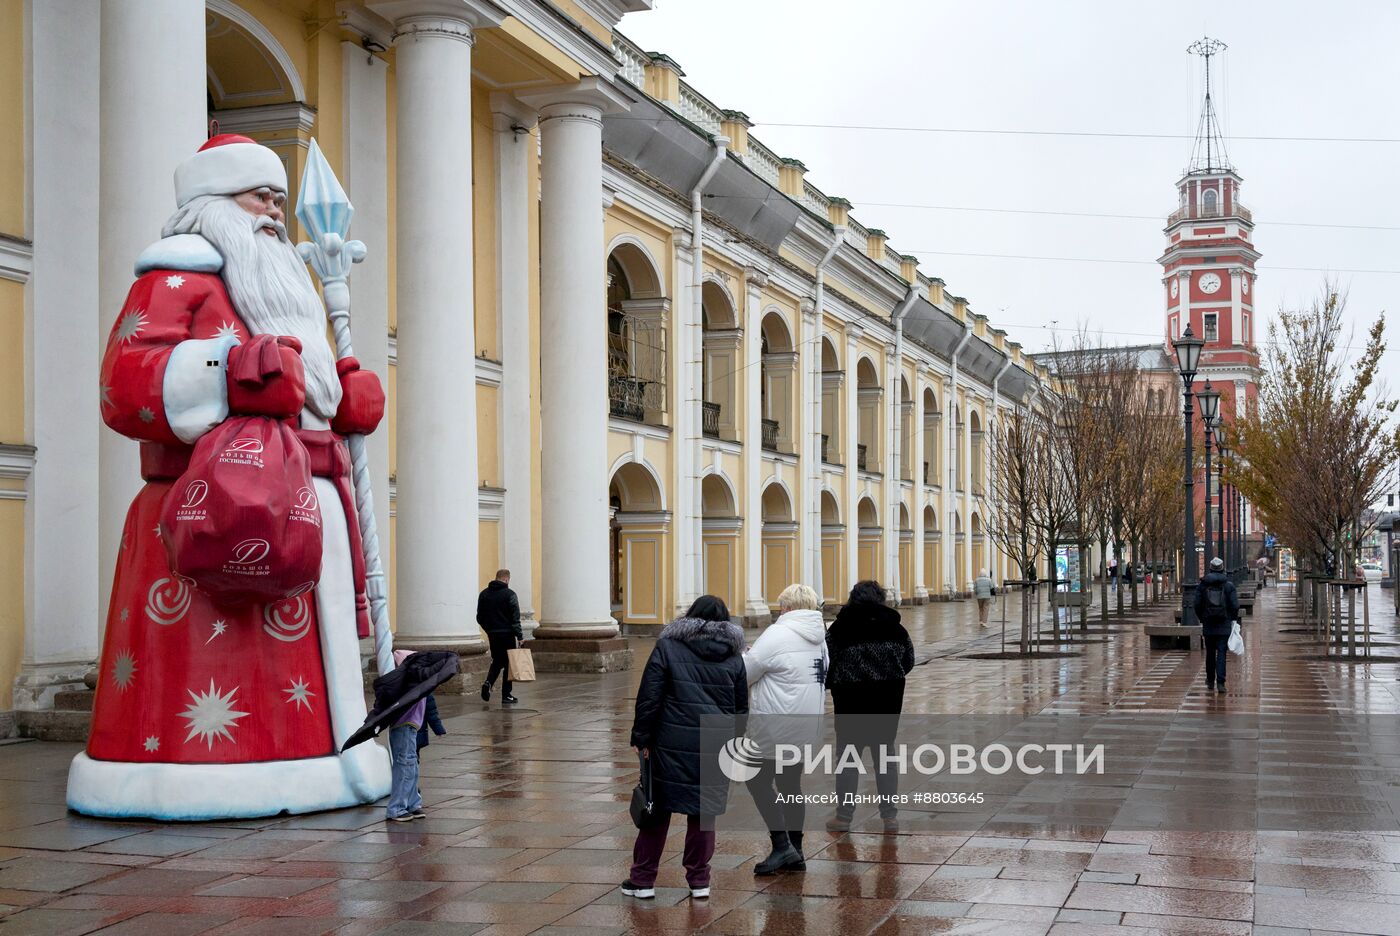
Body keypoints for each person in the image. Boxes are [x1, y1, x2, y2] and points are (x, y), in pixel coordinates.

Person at [71, 134, 390, 820]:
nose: (273, 214)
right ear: (212, 204)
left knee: (302, 665)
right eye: (259, 198)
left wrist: (344, 400)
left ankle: (317, 754)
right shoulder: (173, 280)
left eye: (278, 199)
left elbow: (304, 391)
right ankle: (194, 772)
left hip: (302, 506)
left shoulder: (280, 288)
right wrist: (229, 374)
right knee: (214, 661)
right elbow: (125, 384)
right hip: (205, 511)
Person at [623, 596, 747, 901]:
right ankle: (699, 881)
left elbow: (649, 697)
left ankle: (643, 880)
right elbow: (741, 709)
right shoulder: (734, 656)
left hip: (670, 743)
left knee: (657, 810)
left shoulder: (668, 647)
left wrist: (641, 737)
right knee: (704, 816)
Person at [743, 583, 829, 875]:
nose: (779, 610)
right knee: (791, 786)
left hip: (774, 724)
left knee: (756, 780)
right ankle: (797, 849)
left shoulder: (777, 633)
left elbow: (746, 672)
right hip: (805, 723)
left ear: (788, 608)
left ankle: (782, 846)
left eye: (781, 606)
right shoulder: (819, 637)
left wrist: (747, 654)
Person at [824, 580, 916, 833]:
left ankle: (843, 817)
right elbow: (909, 662)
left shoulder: (839, 630)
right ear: (880, 599)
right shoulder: (897, 630)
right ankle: (889, 817)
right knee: (885, 760)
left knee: (848, 760)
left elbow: (827, 664)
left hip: (850, 708)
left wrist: (839, 683)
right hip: (886, 708)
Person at [387, 649, 428, 822]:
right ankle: (397, 807)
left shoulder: (419, 682)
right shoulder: (405, 683)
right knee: (405, 764)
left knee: (412, 765)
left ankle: (413, 802)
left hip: (411, 726)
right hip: (403, 725)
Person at [1194, 556, 1239, 693]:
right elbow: (1235, 606)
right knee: (1221, 653)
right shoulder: (1229, 586)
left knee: (1210, 653)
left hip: (1208, 624)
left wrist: (1202, 618)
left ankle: (1210, 681)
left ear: (1210, 569)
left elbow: (1196, 604)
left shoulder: (1203, 585)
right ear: (1223, 569)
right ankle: (1221, 682)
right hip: (1224, 624)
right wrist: (1232, 619)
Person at [478, 569, 523, 705]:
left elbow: (479, 617)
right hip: (507, 634)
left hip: (493, 634)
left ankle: (488, 683)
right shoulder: (510, 594)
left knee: (497, 660)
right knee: (509, 663)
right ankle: (506, 694)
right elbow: (515, 617)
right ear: (507, 579)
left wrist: (489, 630)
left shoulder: (484, 594)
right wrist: (519, 636)